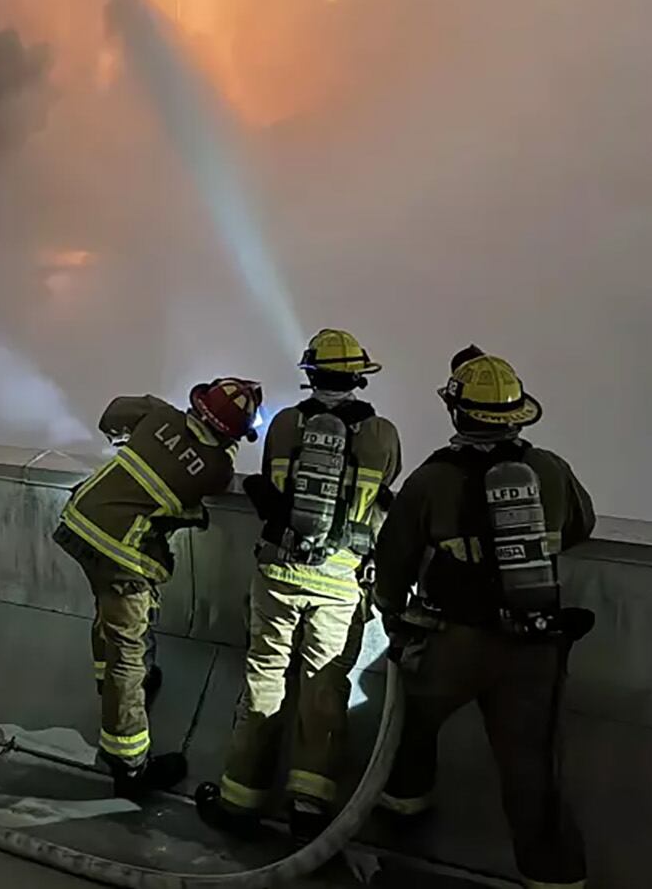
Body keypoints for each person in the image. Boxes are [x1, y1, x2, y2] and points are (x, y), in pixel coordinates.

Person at [370, 347, 595, 889]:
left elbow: (393, 559)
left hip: (454, 641)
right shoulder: (550, 470)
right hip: (535, 646)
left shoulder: (432, 479)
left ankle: (401, 832)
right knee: (532, 769)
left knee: (410, 729)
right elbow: (580, 526)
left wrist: (394, 614)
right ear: (518, 415)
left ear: (457, 412)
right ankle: (555, 878)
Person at [197, 329, 402, 840]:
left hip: (279, 573)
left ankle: (240, 798)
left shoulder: (286, 423)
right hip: (340, 581)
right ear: (357, 378)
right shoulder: (382, 434)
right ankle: (309, 806)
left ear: (311, 375)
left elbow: (273, 482)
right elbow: (383, 492)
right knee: (324, 687)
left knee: (266, 678)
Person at [54, 376, 263, 798]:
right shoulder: (217, 468)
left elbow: (112, 415)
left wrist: (154, 426)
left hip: (79, 524)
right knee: (127, 651)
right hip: (121, 554)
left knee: (108, 617)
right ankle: (130, 766)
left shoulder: (160, 415)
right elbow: (209, 475)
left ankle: (113, 687)